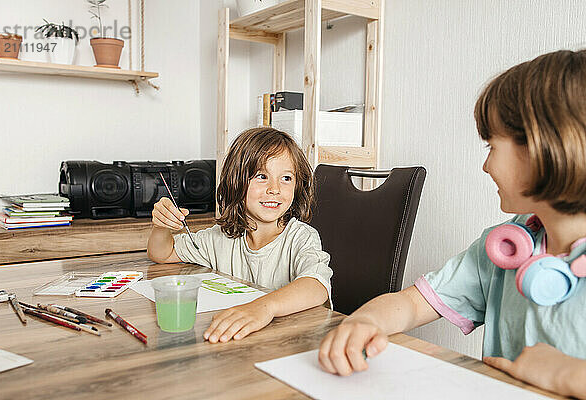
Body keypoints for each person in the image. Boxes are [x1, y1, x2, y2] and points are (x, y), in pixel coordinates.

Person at [318, 49, 586, 399]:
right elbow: (413, 304)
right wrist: (366, 320)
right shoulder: (507, 246)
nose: (485, 166)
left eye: (491, 146)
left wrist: (570, 374)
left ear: (544, 147)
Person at [147, 127, 332, 344]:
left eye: (286, 178)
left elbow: (316, 286)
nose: (274, 188)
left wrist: (264, 307)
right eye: (262, 176)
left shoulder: (301, 237)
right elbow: (163, 252)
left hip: (289, 345)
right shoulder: (222, 237)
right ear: (236, 181)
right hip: (238, 342)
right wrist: (161, 227)